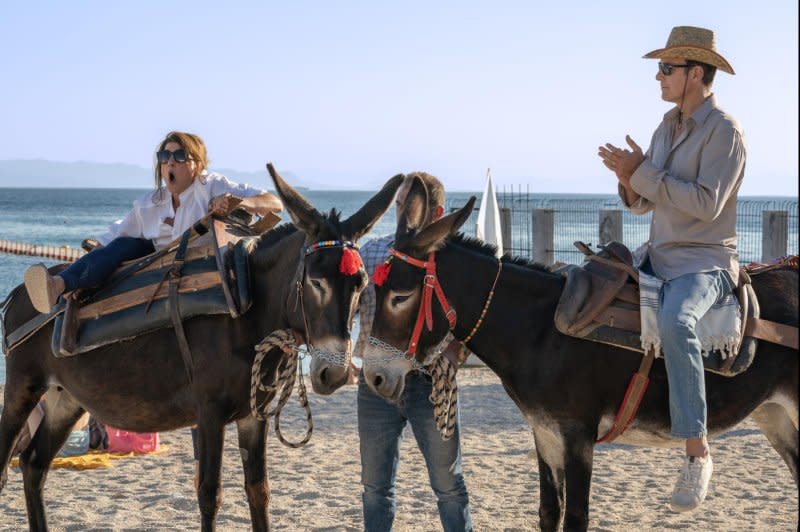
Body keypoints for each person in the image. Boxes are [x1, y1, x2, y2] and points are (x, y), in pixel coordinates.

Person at [598, 26, 745, 512]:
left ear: (695, 73)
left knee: (677, 321)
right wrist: (628, 179)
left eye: (667, 68)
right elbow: (643, 202)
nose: (658, 77)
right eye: (659, 68)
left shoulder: (724, 131)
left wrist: (642, 173)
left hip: (703, 260)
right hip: (657, 253)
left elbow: (706, 203)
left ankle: (697, 451)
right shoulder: (667, 125)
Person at [24, 131, 282, 314]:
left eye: (180, 156)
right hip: (159, 266)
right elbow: (111, 240)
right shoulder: (150, 203)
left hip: (202, 266)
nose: (170, 161)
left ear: (197, 164)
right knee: (123, 245)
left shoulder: (211, 185)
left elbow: (274, 203)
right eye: (164, 156)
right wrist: (82, 270)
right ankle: (57, 285)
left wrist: (237, 201)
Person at [354, 172, 473, 532]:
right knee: (375, 488)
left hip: (429, 385)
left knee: (449, 486)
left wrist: (456, 351)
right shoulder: (371, 252)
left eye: (408, 204)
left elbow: (469, 319)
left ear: (435, 212)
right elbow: (339, 301)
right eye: (399, 204)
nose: (401, 211)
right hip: (374, 385)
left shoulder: (452, 264)